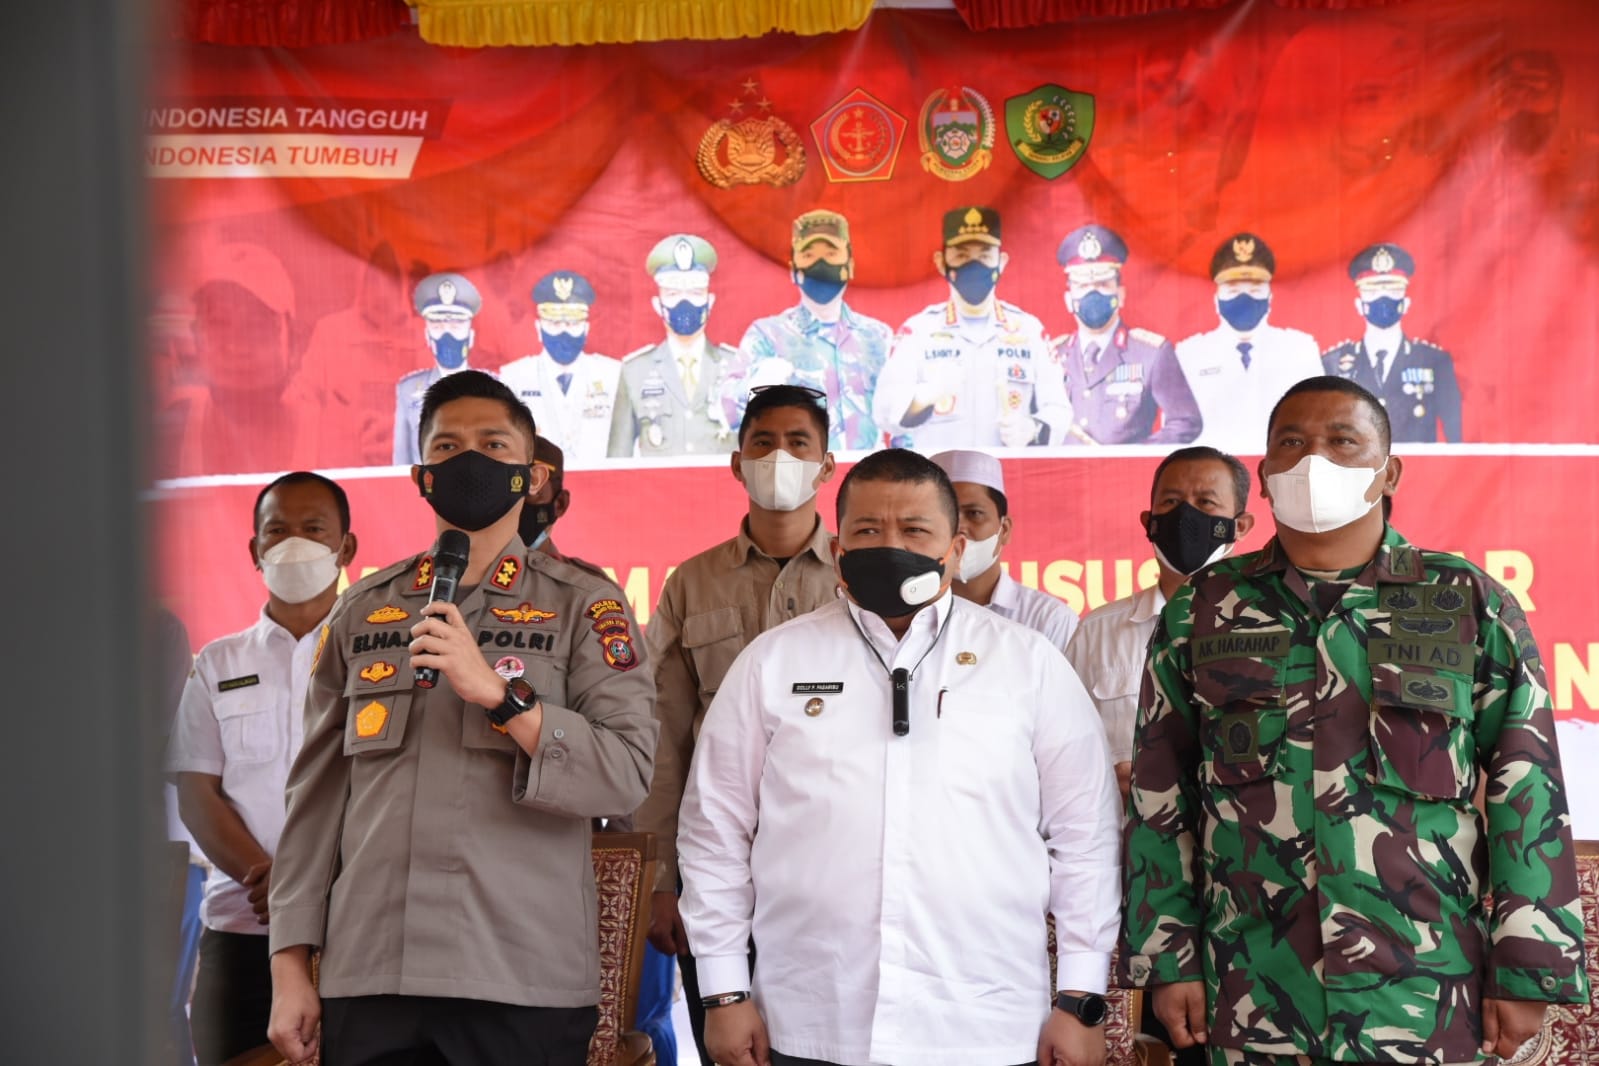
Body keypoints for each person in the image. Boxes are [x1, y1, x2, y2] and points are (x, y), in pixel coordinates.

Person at [1120, 376, 1588, 1065]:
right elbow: (1160, 794)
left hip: (1423, 992)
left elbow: (1528, 789)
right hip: (1251, 989)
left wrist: (1526, 966)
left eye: (1342, 441)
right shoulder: (1201, 609)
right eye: (1291, 443)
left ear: (1388, 469)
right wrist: (1169, 958)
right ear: (1266, 473)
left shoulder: (1464, 601)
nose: (1314, 461)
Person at [677, 447, 1121, 1066]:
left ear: (956, 549)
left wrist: (1080, 999)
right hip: (808, 1021)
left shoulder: (1027, 663)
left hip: (985, 1025)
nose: (890, 544)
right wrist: (723, 990)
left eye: (914, 530)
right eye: (866, 529)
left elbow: (1085, 838)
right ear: (838, 550)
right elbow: (714, 832)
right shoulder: (773, 663)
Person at [266, 370, 657, 1066]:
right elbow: (315, 804)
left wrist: (502, 698)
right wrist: (290, 966)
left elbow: (624, 777)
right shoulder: (365, 610)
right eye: (445, 447)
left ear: (531, 476)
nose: (467, 461)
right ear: (420, 476)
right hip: (372, 972)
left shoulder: (585, 607)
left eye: (492, 445)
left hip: (519, 977)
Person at [634, 383, 840, 1066]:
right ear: (736, 462)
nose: (779, 456)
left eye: (797, 443)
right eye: (763, 442)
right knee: (734, 1050)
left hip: (833, 876)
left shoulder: (857, 577)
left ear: (826, 464)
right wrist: (663, 876)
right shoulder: (691, 583)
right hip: (715, 875)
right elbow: (663, 737)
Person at [164, 472, 358, 1066]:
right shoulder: (218, 663)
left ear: (346, 548)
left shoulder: (383, 656)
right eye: (276, 530)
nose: (292, 542)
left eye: (312, 529)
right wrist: (268, 878)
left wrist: (312, 889)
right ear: (254, 550)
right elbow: (198, 791)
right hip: (242, 927)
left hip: (355, 928)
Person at [1065, 446, 1255, 804]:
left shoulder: (1273, 626)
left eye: (1206, 503)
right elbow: (1057, 746)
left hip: (1242, 844)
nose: (1186, 516)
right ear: (1148, 521)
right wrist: (1106, 778)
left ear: (1240, 526)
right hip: (1132, 844)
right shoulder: (1098, 632)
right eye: (1170, 502)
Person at [871, 207, 1072, 451]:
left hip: (1005, 479)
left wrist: (1033, 429)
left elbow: (1060, 410)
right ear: (941, 262)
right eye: (962, 256)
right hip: (940, 480)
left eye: (985, 256)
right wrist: (924, 396)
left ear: (1002, 262)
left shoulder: (1029, 331)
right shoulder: (919, 332)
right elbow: (883, 410)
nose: (974, 265)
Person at [721, 209, 897, 451]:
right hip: (799, 475)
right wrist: (755, 386)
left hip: (866, 477)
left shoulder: (878, 337)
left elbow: (901, 421)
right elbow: (728, 412)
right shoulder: (768, 336)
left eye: (831, 254)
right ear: (794, 269)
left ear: (850, 265)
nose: (820, 263)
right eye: (809, 255)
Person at [1050, 224, 1202, 445]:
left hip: (1125, 477)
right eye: (1082, 285)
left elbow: (1185, 422)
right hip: (1063, 476)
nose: (1093, 293)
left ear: (1120, 295)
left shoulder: (1150, 353)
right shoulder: (1052, 355)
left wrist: (1132, 458)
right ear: (1068, 299)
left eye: (1103, 284)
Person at [1174, 233, 1321, 454]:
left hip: (1284, 468)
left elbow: (1319, 417)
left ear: (1270, 297)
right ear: (1216, 299)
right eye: (1232, 290)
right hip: (1210, 473)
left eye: (1254, 290)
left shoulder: (1300, 349)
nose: (1244, 299)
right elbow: (1177, 432)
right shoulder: (1189, 354)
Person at [929, 448, 1080, 651]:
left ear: (1005, 530)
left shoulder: (1048, 620)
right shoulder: (906, 614)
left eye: (974, 513)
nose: (959, 527)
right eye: (946, 514)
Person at [288, 240, 419, 467]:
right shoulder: (332, 332)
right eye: (374, 279)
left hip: (403, 475)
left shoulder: (425, 339)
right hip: (341, 474)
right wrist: (302, 470)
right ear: (363, 282)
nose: (381, 292)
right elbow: (303, 397)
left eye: (391, 280)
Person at [185, 241, 309, 476]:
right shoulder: (169, 434)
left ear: (295, 341)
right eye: (219, 323)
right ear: (196, 339)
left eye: (258, 325)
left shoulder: (333, 441)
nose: (236, 346)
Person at [608, 234, 737, 458]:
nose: (683, 302)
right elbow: (618, 461)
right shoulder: (635, 371)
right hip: (656, 491)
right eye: (673, 293)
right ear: (658, 304)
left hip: (722, 490)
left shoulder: (737, 365)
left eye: (696, 293)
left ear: (710, 301)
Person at [1320, 243, 1463, 443]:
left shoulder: (1434, 361)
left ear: (1406, 303)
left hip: (1418, 472)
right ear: (1359, 305)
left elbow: (1456, 438)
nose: (1383, 297)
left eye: (1393, 289)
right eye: (1372, 290)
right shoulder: (1333, 364)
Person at [500, 271, 623, 463]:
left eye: (573, 323)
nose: (564, 332)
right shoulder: (513, 378)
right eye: (554, 323)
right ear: (538, 328)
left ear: (586, 328)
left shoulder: (611, 374)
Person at [394, 271, 489, 466]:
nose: (447, 333)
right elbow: (401, 464)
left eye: (456, 323)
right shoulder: (408, 390)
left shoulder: (494, 388)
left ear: (471, 334)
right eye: (437, 323)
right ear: (427, 335)